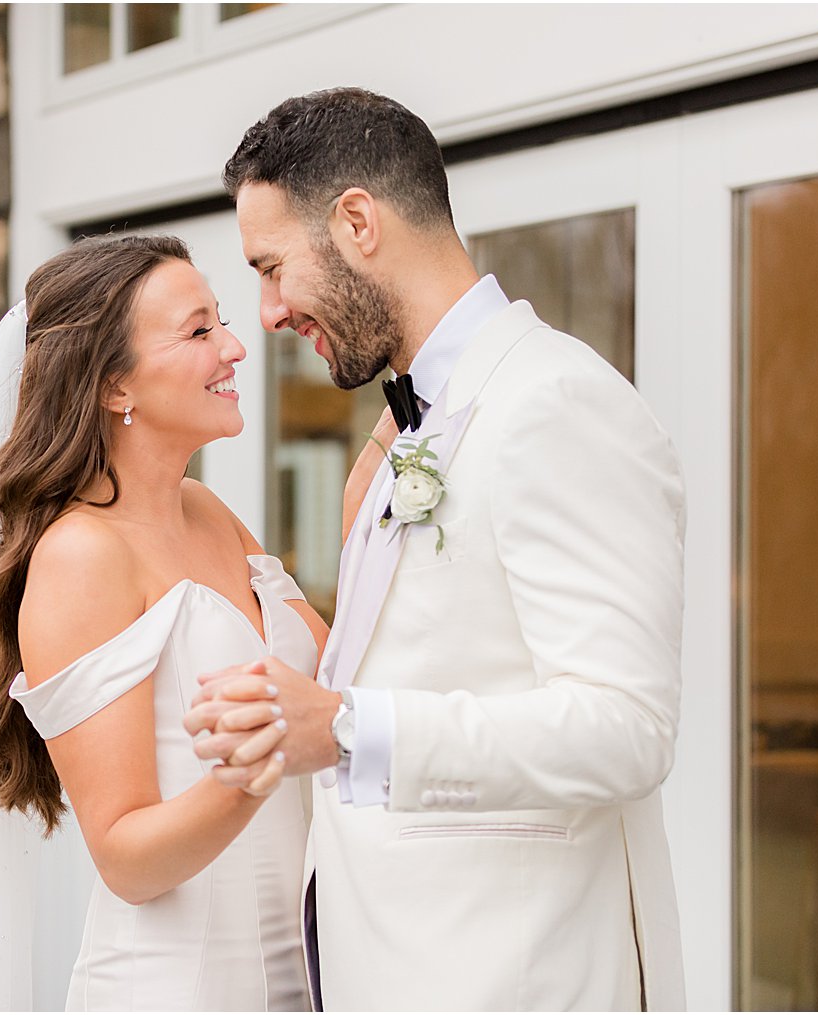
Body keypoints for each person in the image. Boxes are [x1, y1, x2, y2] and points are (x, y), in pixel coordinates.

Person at [185, 88, 687, 1011]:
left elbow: (627, 728)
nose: (264, 312)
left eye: (271, 266)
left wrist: (343, 727)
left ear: (357, 222)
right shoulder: (403, 430)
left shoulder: (555, 403)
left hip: (510, 981)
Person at [0, 234, 325, 1012]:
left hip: (301, 977)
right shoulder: (81, 556)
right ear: (114, 386)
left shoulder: (210, 513)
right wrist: (253, 771)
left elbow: (340, 677)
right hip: (177, 988)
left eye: (223, 323)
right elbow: (127, 856)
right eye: (200, 330)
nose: (235, 347)